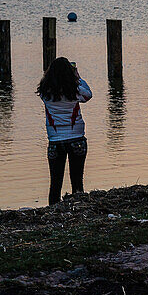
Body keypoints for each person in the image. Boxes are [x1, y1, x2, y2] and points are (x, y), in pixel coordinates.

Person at [37, 57, 92, 205]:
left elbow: (47, 86)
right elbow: (88, 95)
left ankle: (53, 210)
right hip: (76, 138)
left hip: (55, 140)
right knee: (77, 181)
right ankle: (78, 210)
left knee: (55, 183)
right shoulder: (74, 90)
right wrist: (77, 78)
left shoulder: (45, 92)